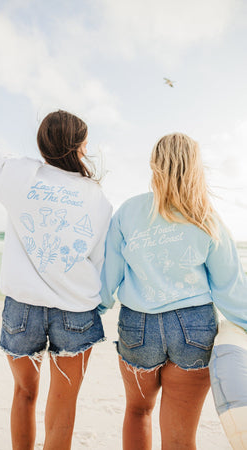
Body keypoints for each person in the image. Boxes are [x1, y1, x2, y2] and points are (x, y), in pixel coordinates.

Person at [0, 110, 112, 450]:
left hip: (22, 310)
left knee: (24, 393)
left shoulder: (15, 172)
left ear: (42, 143)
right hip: (76, 312)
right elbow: (100, 261)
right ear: (80, 147)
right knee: (64, 405)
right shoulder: (97, 197)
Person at [99, 132, 247, 450]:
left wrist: (94, 311)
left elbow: (108, 277)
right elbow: (229, 287)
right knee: (180, 438)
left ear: (154, 165)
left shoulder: (128, 211)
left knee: (138, 412)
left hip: (138, 327)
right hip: (194, 329)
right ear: (196, 168)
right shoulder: (208, 219)